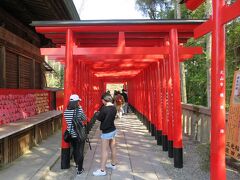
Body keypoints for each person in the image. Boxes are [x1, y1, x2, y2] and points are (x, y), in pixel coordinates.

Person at [93, 93, 117, 176]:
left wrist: (96, 113)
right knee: (113, 147)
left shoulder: (104, 109)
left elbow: (99, 118)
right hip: (113, 129)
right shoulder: (114, 107)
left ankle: (102, 170)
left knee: (104, 150)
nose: (102, 102)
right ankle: (113, 164)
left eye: (102, 100)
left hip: (106, 131)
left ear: (104, 100)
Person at [64, 94, 86, 175]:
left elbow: (68, 122)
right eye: (78, 101)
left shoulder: (66, 111)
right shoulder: (79, 110)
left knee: (75, 150)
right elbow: (84, 118)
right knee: (80, 151)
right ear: (77, 102)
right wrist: (81, 109)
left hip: (71, 134)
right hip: (79, 134)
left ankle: (77, 165)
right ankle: (80, 169)